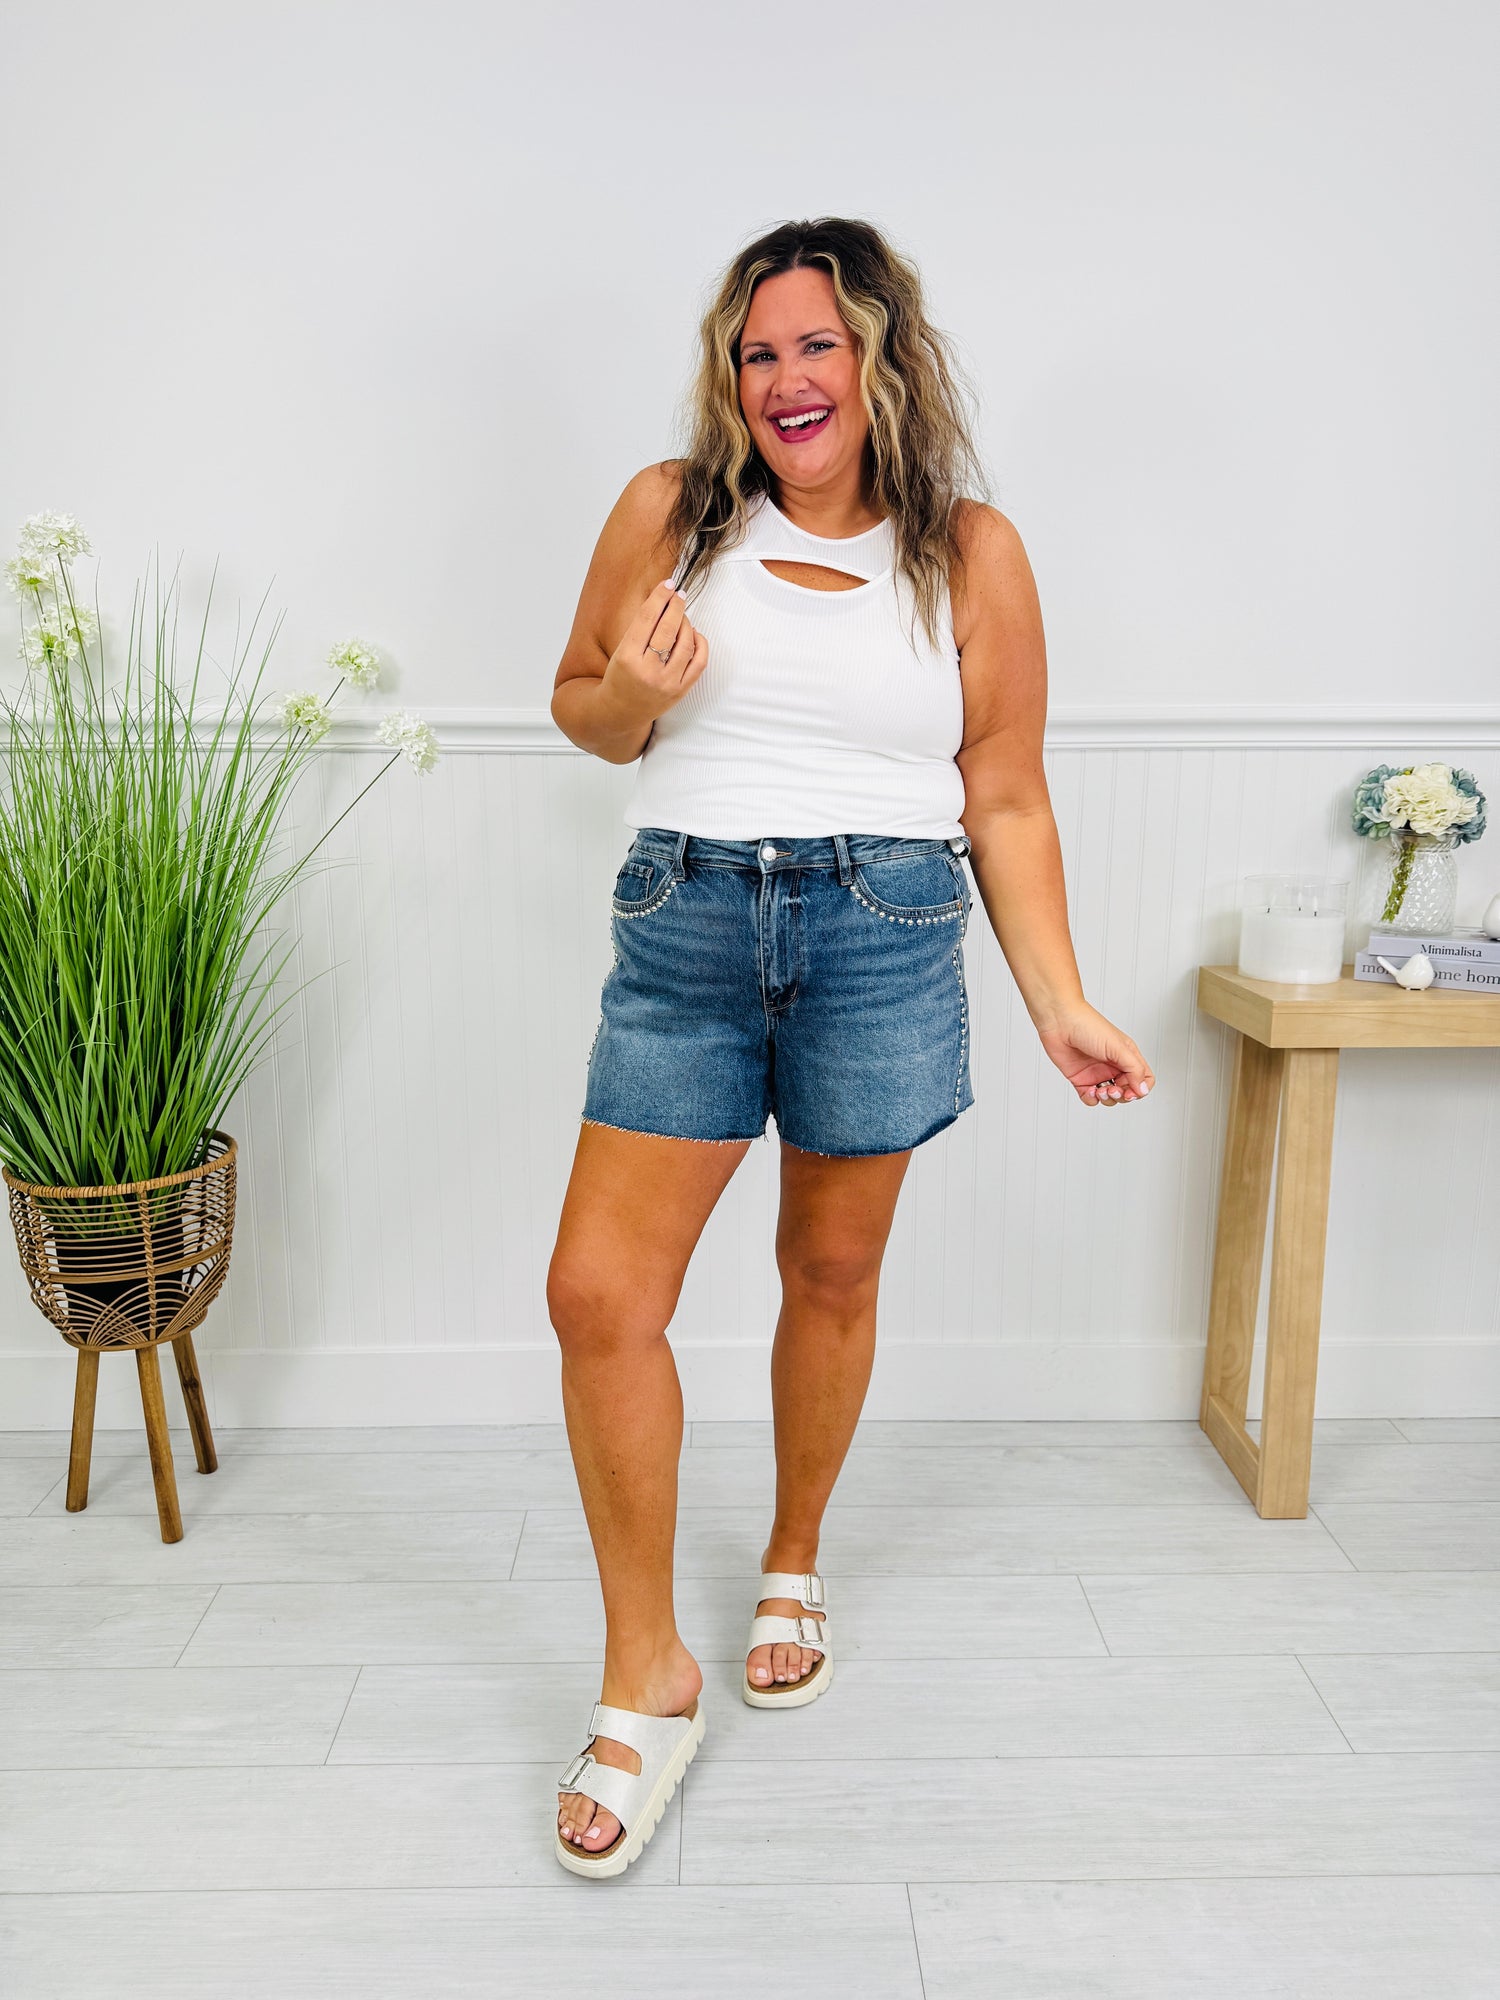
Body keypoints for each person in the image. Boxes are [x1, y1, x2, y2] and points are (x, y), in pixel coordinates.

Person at [545, 216, 1155, 1877]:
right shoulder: (671, 513)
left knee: (828, 1271)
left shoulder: (969, 551)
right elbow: (583, 710)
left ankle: (794, 1555)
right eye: (758, 352)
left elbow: (1004, 795)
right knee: (598, 1297)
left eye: (817, 344)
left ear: (883, 357)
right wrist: (637, 689)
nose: (784, 378)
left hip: (881, 931)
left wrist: (1059, 999)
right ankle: (645, 1671)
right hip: (684, 924)